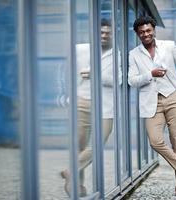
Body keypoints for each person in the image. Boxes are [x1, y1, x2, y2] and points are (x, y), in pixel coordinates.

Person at [128, 16, 176, 197]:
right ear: (137, 34)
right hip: (151, 103)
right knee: (155, 141)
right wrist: (149, 74)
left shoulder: (168, 46)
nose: (146, 34)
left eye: (148, 30)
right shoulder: (134, 54)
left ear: (154, 30)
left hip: (173, 98)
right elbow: (132, 81)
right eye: (142, 32)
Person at [60, 18, 120, 197]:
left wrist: (96, 75)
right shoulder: (80, 49)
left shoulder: (115, 53)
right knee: (79, 146)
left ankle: (70, 171)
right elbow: (64, 72)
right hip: (81, 102)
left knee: (98, 143)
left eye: (107, 33)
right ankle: (76, 188)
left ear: (112, 35)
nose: (104, 36)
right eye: (101, 32)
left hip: (105, 104)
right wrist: (65, 95)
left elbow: (119, 80)